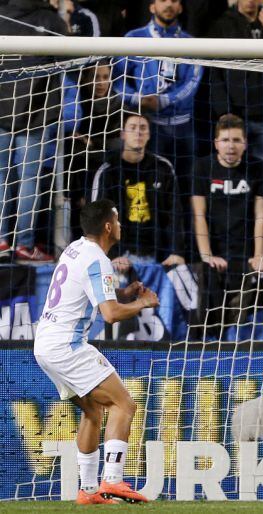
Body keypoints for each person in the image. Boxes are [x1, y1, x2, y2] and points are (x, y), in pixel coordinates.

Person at [34, 199, 160, 505]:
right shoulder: (98, 260)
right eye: (117, 220)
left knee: (92, 411)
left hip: (45, 344)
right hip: (68, 346)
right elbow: (111, 314)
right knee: (125, 404)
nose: (120, 225)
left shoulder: (75, 249)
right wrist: (142, 303)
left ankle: (88, 491)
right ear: (107, 226)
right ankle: (113, 481)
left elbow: (97, 293)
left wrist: (124, 292)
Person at [0, 0, 68, 262]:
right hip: (37, 112)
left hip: (2, 110)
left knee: (2, 178)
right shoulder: (49, 19)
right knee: (28, 179)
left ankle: (2, 241)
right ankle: (24, 246)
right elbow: (73, 58)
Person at [112, 0, 203, 189]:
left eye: (174, 1)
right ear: (151, 6)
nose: (168, 5)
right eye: (162, 0)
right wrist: (137, 98)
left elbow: (193, 81)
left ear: (180, 7)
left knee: (188, 186)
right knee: (150, 185)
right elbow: (115, 78)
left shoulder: (191, 43)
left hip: (183, 127)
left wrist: (164, 100)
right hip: (149, 127)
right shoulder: (134, 38)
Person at [191, 114, 263, 332]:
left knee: (241, 317)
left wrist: (259, 254)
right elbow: (199, 215)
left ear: (245, 143)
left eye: (236, 140)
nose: (230, 146)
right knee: (210, 302)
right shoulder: (202, 168)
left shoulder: (257, 168)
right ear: (216, 143)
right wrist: (207, 256)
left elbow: (260, 214)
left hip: (243, 253)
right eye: (225, 140)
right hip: (213, 251)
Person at [91, 113, 185, 270]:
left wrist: (176, 252)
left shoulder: (163, 168)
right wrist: (112, 256)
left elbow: (175, 214)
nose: (138, 132)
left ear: (149, 135)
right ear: (123, 134)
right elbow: (96, 219)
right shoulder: (108, 171)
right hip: (118, 257)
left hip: (158, 257)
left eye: (143, 128)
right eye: (132, 128)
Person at [207, 0, 263, 171]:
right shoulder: (222, 25)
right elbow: (214, 73)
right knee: (232, 171)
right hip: (233, 117)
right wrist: (224, 110)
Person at [62, 60, 123, 240]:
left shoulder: (116, 103)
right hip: (80, 169)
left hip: (103, 161)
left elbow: (113, 141)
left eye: (105, 77)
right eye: (95, 77)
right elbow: (74, 139)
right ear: (86, 79)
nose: (101, 83)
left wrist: (91, 141)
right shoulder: (78, 101)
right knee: (75, 150)